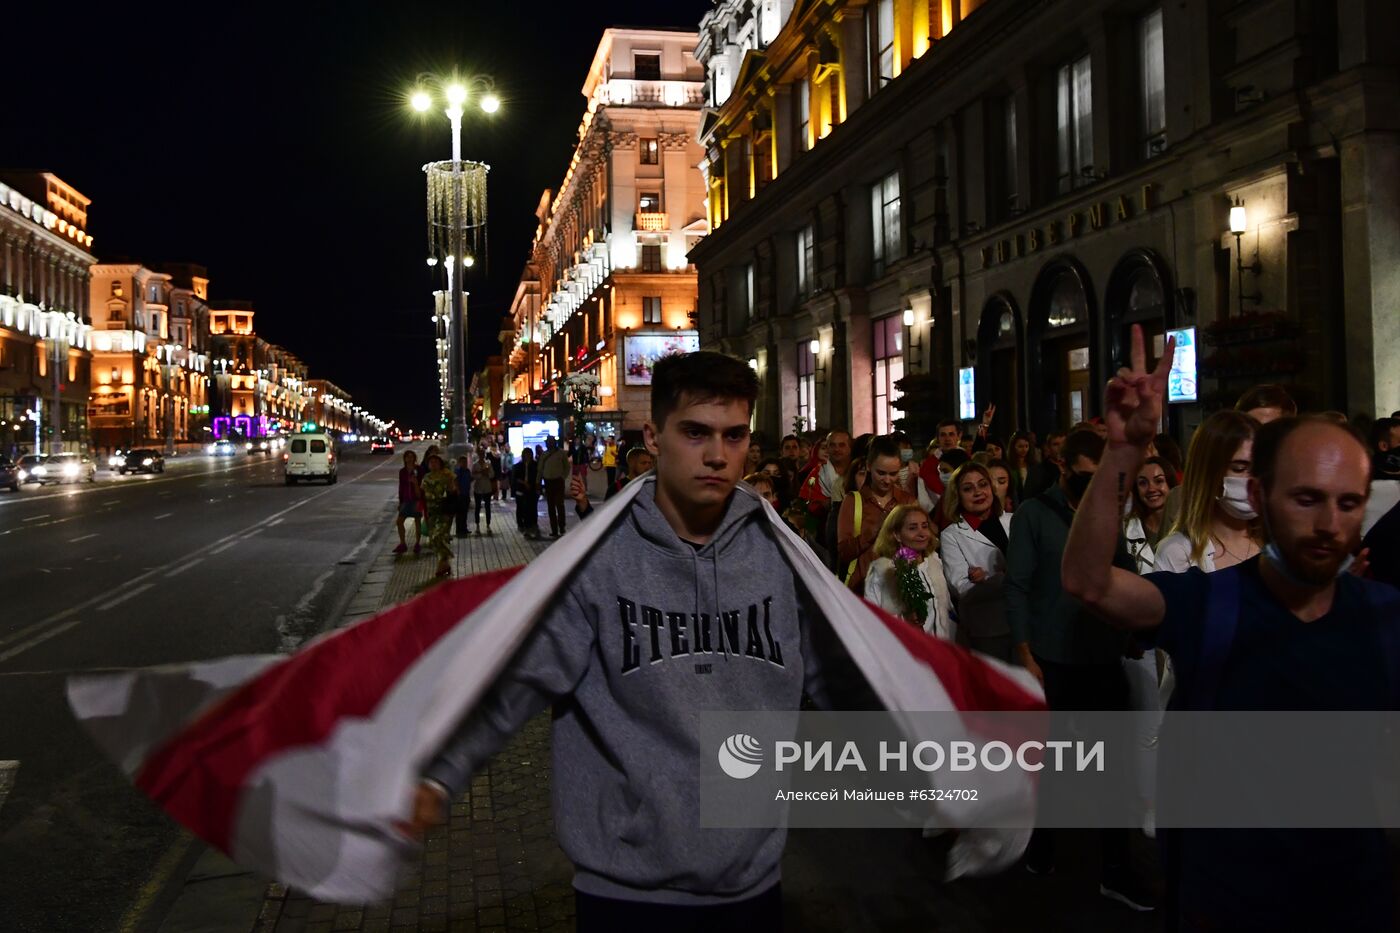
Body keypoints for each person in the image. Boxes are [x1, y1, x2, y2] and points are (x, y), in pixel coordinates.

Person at [405, 351, 838, 928]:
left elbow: (853, 670)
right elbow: (517, 678)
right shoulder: (597, 561)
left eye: (735, 436)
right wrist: (439, 773)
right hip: (626, 889)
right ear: (654, 438)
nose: (717, 455)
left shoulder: (780, 556)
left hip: (751, 882)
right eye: (695, 433)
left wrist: (941, 767)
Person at [1062, 325, 1400, 930]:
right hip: (1227, 897)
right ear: (1262, 495)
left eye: (1347, 503)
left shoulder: (1383, 618)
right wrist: (1122, 453)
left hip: (1352, 899)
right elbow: (1091, 583)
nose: (1327, 522)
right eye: (1305, 499)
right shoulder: (1211, 603)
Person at [1003, 430, 1148, 909]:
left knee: (1116, 765)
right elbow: (1019, 585)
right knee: (1053, 764)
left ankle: (1115, 867)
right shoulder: (1033, 515)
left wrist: (1131, 624)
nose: (1093, 487)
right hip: (1052, 657)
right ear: (1063, 468)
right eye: (1085, 478)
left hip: (1103, 653)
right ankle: (1042, 846)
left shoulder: (1107, 510)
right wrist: (1024, 652)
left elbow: (1122, 567)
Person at [1154, 411, 1260, 573]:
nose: (1253, 479)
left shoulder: (1280, 545)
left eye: (1260, 467)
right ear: (1209, 473)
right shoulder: (1178, 554)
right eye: (1239, 468)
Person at [940, 462, 1014, 661]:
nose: (978, 492)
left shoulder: (1014, 520)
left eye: (983, 484)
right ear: (957, 495)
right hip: (988, 628)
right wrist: (1004, 577)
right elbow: (962, 587)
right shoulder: (951, 535)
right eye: (968, 488)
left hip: (1026, 621)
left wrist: (987, 578)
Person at [836, 437, 915, 594]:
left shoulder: (907, 501)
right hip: (862, 590)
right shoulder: (853, 501)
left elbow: (920, 545)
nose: (887, 480)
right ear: (869, 466)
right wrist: (871, 532)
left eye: (893, 474)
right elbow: (843, 552)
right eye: (881, 473)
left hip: (899, 589)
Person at [863, 504, 954, 640]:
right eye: (912, 528)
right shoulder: (883, 572)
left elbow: (947, 610)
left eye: (924, 526)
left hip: (941, 651)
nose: (922, 533)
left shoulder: (935, 562)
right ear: (897, 535)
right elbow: (872, 620)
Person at [570, 447, 656, 520]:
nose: (648, 467)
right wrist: (583, 503)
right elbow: (603, 520)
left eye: (650, 463)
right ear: (631, 464)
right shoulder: (617, 488)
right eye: (644, 463)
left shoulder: (654, 487)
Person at [1124, 457, 1176, 574]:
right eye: (1143, 483)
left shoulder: (1189, 525)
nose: (1151, 489)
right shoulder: (1125, 530)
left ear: (1170, 484)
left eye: (1158, 481)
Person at [419, 453, 458, 578]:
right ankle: (444, 563)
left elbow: (454, 490)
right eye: (431, 462)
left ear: (440, 463)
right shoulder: (426, 477)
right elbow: (423, 493)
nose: (433, 464)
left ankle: (444, 560)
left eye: (436, 462)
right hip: (431, 511)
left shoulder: (447, 475)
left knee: (438, 536)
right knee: (433, 539)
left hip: (444, 510)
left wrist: (451, 483)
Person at [539, 437, 572, 538]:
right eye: (548, 442)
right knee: (551, 507)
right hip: (548, 482)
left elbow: (567, 467)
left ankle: (561, 526)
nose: (549, 444)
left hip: (558, 481)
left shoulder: (561, 453)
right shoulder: (544, 454)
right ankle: (554, 529)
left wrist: (563, 477)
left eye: (550, 442)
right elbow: (540, 469)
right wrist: (539, 482)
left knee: (559, 505)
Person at [394, 450, 423, 555]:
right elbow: (401, 486)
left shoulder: (419, 469)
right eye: (407, 457)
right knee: (399, 521)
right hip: (406, 499)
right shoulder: (402, 471)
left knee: (417, 521)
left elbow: (422, 484)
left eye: (411, 456)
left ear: (414, 458)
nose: (409, 459)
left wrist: (415, 483)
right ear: (405, 458)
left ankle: (417, 543)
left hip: (416, 499)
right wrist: (400, 501)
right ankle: (402, 543)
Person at [1022, 432, 1066, 499]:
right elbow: (1029, 498)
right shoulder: (1037, 471)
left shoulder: (1074, 468)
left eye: (1064, 443)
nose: (1060, 447)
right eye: (1056, 444)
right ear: (1048, 448)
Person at [512, 447, 541, 539]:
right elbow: (514, 478)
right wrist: (523, 483)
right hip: (521, 490)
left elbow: (538, 477)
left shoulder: (535, 465)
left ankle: (533, 525)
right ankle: (524, 525)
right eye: (526, 454)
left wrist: (537, 488)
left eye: (529, 454)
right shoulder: (518, 466)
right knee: (522, 508)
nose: (528, 456)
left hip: (532, 490)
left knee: (532, 508)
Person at [471, 449, 496, 535]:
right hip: (478, 488)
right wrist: (481, 473)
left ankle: (488, 525)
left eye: (483, 454)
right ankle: (477, 526)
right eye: (480, 454)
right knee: (477, 507)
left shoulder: (488, 464)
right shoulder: (475, 464)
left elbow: (492, 474)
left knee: (487, 507)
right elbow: (473, 475)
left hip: (487, 488)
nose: (482, 455)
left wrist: (487, 473)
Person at [1007, 431, 1035, 505]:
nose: (1024, 449)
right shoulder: (1009, 466)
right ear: (1013, 447)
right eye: (1020, 446)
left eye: (1026, 446)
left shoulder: (1033, 465)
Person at [454, 456, 473, 538]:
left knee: (465, 512)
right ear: (459, 463)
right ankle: (459, 530)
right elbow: (455, 481)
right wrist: (458, 490)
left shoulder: (467, 471)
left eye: (465, 462)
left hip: (466, 494)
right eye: (463, 462)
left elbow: (469, 479)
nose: (464, 464)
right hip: (460, 494)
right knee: (459, 513)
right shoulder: (458, 471)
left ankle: (464, 528)